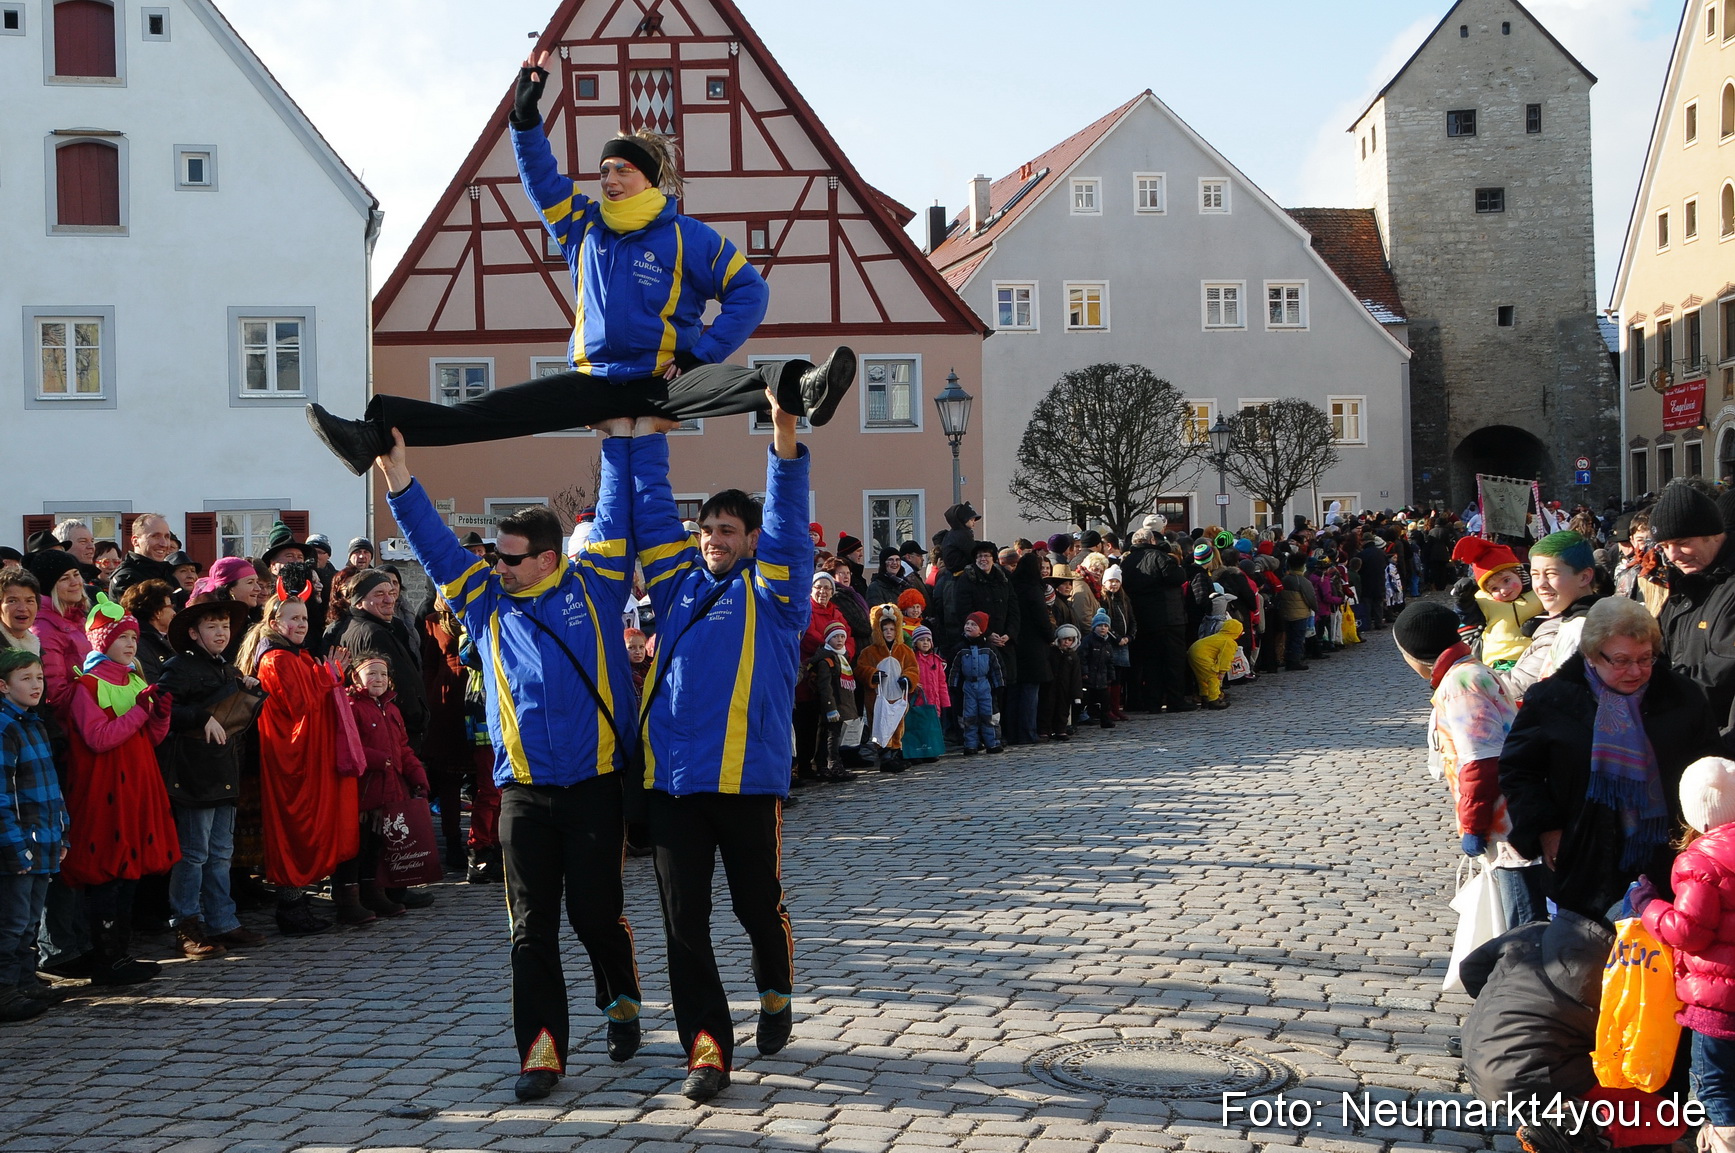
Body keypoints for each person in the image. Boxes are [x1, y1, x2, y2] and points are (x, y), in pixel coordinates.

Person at [306, 55, 852, 475]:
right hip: (592, 381)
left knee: (738, 382)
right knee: (487, 412)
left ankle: (807, 389)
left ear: (648, 179)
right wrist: (524, 119)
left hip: (661, 380)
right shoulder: (585, 225)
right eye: (604, 170)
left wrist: (700, 352)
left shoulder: (689, 237)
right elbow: (542, 182)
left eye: (621, 170)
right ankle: (370, 433)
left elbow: (750, 293)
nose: (609, 179)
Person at [376, 431, 643, 1102]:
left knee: (595, 914)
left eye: (510, 557)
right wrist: (397, 471)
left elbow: (615, 510)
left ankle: (621, 997)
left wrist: (619, 436)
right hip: (522, 793)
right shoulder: (484, 598)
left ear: (548, 558)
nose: (496, 564)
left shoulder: (598, 587)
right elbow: (435, 545)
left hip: (593, 786)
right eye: (494, 554)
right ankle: (542, 1049)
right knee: (530, 928)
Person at [618, 388, 808, 1102]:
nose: (712, 539)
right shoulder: (673, 586)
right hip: (675, 788)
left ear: (750, 538)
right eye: (707, 529)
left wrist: (783, 427)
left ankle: (775, 984)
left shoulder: (776, 590)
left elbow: (789, 517)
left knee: (756, 907)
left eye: (727, 529)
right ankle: (706, 1048)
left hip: (748, 783)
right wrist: (637, 431)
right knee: (681, 921)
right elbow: (648, 506)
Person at [1500, 597, 1716, 924]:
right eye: (1621, 660)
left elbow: (1710, 766)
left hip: (1670, 854)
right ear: (1591, 654)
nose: (1636, 671)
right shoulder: (1553, 700)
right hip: (1584, 856)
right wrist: (1546, 828)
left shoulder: (1682, 697)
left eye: (1646, 658)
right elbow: (1519, 770)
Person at [1391, 602, 1542, 924]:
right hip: (1509, 813)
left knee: (1522, 923)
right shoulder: (1471, 670)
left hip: (1506, 823)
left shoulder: (1461, 684)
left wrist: (1474, 824)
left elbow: (1481, 761)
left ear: (1415, 654)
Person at [61, 598, 180, 982]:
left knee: (129, 873)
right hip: (105, 789)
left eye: (133, 637)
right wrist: (141, 712)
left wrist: (159, 715)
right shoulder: (87, 685)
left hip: (137, 784)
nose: (131, 644)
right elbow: (98, 738)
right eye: (122, 637)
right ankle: (106, 958)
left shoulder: (133, 679)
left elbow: (152, 738)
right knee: (107, 874)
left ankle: (120, 954)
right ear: (101, 640)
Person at [239, 590, 362, 934]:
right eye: (294, 618)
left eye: (305, 618)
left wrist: (330, 676)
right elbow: (299, 704)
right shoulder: (276, 659)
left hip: (307, 757)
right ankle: (290, 907)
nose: (301, 625)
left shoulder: (295, 655)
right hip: (290, 760)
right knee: (294, 828)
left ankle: (297, 903)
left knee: (306, 826)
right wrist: (331, 674)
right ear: (275, 622)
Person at [1632, 756, 1735, 1153]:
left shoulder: (1701, 861)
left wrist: (1647, 905)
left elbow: (1689, 931)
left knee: (1715, 1089)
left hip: (1716, 1006)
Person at [0, 649, 67, 1021]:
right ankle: (5, 989)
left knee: (28, 920)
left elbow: (52, 787)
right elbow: (2, 797)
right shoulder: (5, 728)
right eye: (25, 679)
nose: (36, 685)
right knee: (10, 923)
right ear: (3, 686)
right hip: (18, 845)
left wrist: (62, 832)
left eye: (39, 678)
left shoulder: (34, 723)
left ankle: (25, 982)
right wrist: (14, 847)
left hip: (44, 840)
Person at [1651, 482, 1735, 737]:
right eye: (1664, 546)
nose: (1673, 555)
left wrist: (1657, 697)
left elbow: (1721, 674)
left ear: (1713, 534)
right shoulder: (1685, 587)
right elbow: (1661, 652)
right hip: (1687, 733)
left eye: (1682, 542)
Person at [330, 570, 428, 752]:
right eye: (379, 594)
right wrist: (417, 717)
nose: (389, 600)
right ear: (359, 602)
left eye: (391, 593)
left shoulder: (366, 627)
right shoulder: (373, 633)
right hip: (388, 733)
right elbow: (396, 684)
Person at [1500, 532, 1602, 699]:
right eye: (1535, 575)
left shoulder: (1576, 630)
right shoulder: (1594, 614)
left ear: (1584, 577)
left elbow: (1534, 690)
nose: (1540, 584)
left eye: (1551, 574)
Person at [1449, 537, 1544, 671]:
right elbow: (1468, 618)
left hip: (1537, 656)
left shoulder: (1538, 592)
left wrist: (1541, 621)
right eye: (1494, 588)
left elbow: (1558, 610)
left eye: (1506, 580)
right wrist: (1463, 601)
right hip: (1499, 660)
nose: (1504, 591)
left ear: (1518, 573)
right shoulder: (1484, 601)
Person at [859, 604, 918, 772]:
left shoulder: (905, 651)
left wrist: (908, 679)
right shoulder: (869, 652)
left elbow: (913, 669)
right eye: (885, 629)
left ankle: (895, 753)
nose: (889, 632)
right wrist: (872, 674)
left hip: (897, 694)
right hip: (878, 696)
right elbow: (861, 669)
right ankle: (884, 755)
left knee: (897, 724)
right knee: (880, 723)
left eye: (892, 629)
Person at [803, 622, 856, 782]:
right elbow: (825, 687)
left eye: (842, 636)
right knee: (831, 736)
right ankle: (833, 764)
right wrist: (831, 708)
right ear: (828, 640)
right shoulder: (826, 661)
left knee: (832, 735)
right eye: (835, 637)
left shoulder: (842, 657)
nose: (839, 640)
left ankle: (824, 765)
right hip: (833, 705)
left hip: (842, 703)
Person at [949, 613, 1005, 754]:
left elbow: (997, 669)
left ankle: (992, 743)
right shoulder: (960, 649)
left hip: (985, 686)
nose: (969, 627)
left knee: (989, 715)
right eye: (968, 623)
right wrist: (954, 685)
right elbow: (954, 670)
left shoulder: (989, 649)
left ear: (981, 630)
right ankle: (971, 744)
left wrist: (999, 685)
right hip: (967, 687)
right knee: (969, 716)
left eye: (974, 624)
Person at [108, 514, 179, 599]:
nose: (163, 543)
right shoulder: (126, 578)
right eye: (155, 536)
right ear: (135, 541)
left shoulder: (167, 572)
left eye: (166, 537)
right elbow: (152, 611)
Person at [1187, 618, 1242, 711]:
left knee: (1202, 678)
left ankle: (1205, 697)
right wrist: (1221, 672)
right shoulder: (1229, 642)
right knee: (1213, 676)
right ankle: (1214, 700)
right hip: (1202, 655)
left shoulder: (1219, 636)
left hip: (1193, 651)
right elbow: (1225, 659)